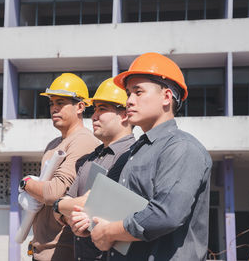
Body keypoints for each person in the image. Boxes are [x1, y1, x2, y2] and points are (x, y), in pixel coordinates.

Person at [72, 52, 212, 260]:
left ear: (166, 97)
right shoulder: (135, 151)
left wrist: (109, 231)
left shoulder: (182, 148)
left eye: (138, 92)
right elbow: (120, 210)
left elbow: (166, 215)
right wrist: (89, 222)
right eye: (129, 94)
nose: (129, 101)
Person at [51, 77, 136, 261]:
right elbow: (67, 207)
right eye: (95, 109)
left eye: (102, 109)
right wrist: (65, 210)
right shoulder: (91, 157)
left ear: (124, 115)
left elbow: (97, 205)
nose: (94, 116)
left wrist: (61, 205)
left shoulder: (132, 157)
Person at [19, 73, 99, 261]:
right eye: (51, 103)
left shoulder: (83, 141)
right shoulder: (54, 143)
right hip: (42, 249)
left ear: (80, 107)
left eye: (60, 103)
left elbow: (53, 193)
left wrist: (26, 183)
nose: (54, 108)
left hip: (61, 251)